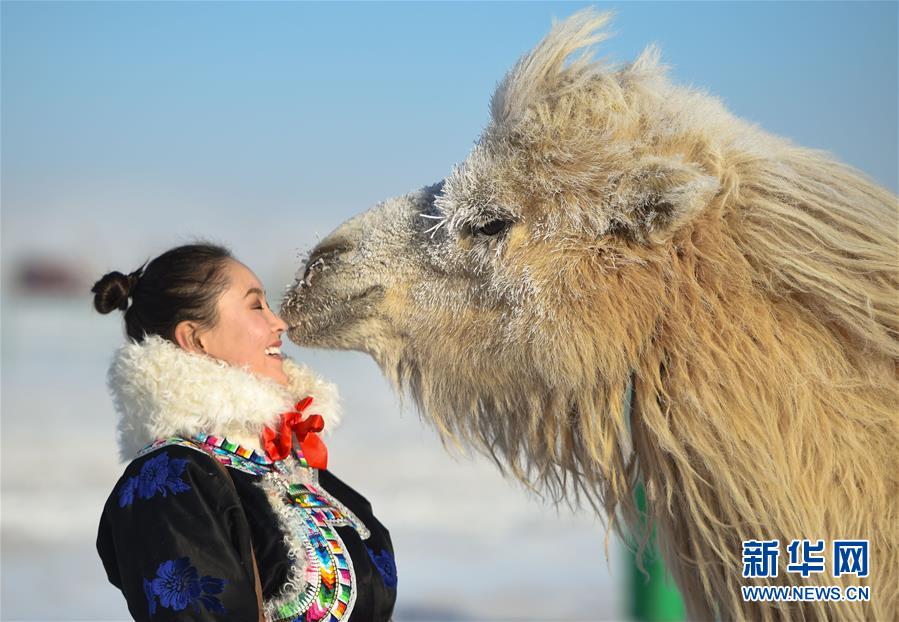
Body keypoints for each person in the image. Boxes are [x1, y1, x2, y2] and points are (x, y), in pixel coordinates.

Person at [93, 243, 396, 621]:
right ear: (195, 338)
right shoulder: (171, 481)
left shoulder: (290, 463)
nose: (279, 323)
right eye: (256, 306)